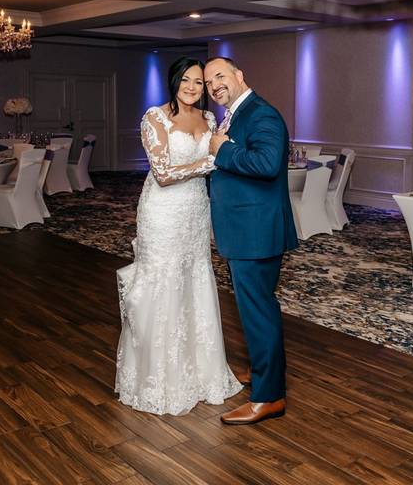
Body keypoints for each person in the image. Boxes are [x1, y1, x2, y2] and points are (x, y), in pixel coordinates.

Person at [115, 57, 242, 415]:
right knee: (163, 284)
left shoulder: (210, 119)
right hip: (163, 212)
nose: (192, 87)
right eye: (185, 80)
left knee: (195, 281)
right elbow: (163, 174)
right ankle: (157, 380)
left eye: (199, 83)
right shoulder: (155, 118)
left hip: (196, 212)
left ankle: (201, 375)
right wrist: (214, 159)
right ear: (174, 82)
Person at [205, 56, 298, 425]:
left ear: (240, 75)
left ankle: (269, 397)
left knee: (258, 311)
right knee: (254, 310)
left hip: (255, 233)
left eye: (220, 76)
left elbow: (267, 164)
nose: (214, 86)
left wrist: (221, 149)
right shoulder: (238, 114)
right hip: (246, 230)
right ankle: (264, 375)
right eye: (209, 82)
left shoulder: (261, 113)